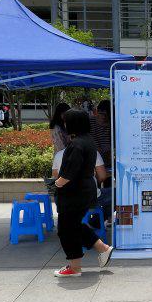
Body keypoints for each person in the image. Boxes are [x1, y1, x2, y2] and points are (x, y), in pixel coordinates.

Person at [53, 110, 113, 277]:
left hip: (74, 193)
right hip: (85, 190)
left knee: (66, 229)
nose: (65, 125)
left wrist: (57, 183)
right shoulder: (88, 141)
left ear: (74, 123)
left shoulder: (76, 144)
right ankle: (102, 249)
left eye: (67, 122)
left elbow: (69, 172)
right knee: (73, 226)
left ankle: (75, 267)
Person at [90, 99, 112, 166]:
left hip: (108, 159)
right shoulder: (91, 121)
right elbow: (93, 140)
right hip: (95, 158)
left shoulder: (112, 124)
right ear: (97, 111)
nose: (104, 117)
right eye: (101, 113)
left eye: (107, 115)